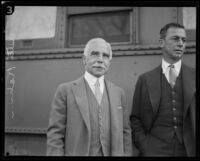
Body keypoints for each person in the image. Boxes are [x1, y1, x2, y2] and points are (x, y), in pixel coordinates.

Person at [47, 38, 138, 156]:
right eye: (95, 54)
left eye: (105, 56)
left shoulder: (118, 93)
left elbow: (125, 132)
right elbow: (55, 135)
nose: (100, 60)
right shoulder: (65, 91)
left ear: (109, 63)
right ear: (84, 59)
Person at [130, 23, 196, 156]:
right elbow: (135, 119)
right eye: (175, 38)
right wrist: (145, 146)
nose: (180, 44)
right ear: (161, 42)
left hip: (189, 150)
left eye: (183, 40)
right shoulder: (145, 79)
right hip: (154, 150)